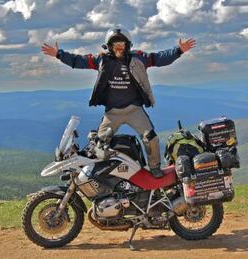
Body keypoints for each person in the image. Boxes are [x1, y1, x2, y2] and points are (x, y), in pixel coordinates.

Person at [42, 25, 196, 178]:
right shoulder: (101, 60)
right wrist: (59, 54)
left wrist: (178, 50)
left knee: (152, 139)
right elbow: (78, 61)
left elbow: (159, 58)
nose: (119, 48)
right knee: (98, 146)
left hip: (134, 110)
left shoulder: (139, 58)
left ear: (128, 45)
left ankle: (154, 168)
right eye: (115, 44)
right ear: (109, 46)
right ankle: (100, 176)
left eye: (122, 44)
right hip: (112, 113)